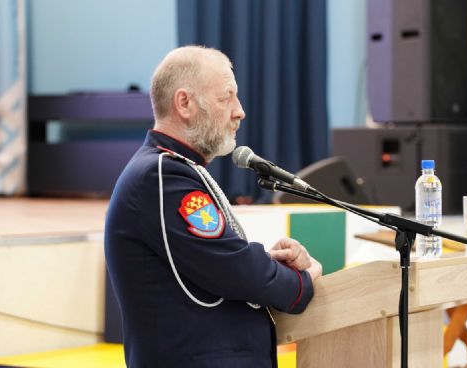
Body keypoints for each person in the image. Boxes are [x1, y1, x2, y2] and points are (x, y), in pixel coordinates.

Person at [104, 45, 322, 368]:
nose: (239, 111)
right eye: (226, 98)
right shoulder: (161, 176)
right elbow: (236, 270)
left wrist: (270, 262)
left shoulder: (173, 171)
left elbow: (212, 264)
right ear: (184, 103)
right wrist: (303, 281)